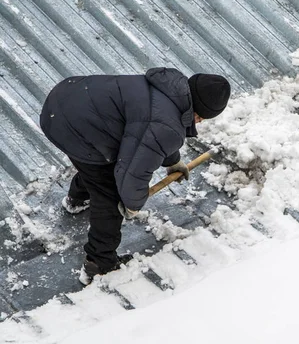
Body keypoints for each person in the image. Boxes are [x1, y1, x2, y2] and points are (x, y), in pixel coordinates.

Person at [39, 67, 231, 284]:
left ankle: (77, 198)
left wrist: (172, 160)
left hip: (65, 100)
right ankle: (99, 263)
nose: (200, 122)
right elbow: (132, 172)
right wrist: (132, 204)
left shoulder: (168, 89)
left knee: (98, 167)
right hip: (76, 128)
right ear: (199, 114)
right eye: (202, 118)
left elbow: (148, 130)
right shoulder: (166, 124)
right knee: (110, 197)